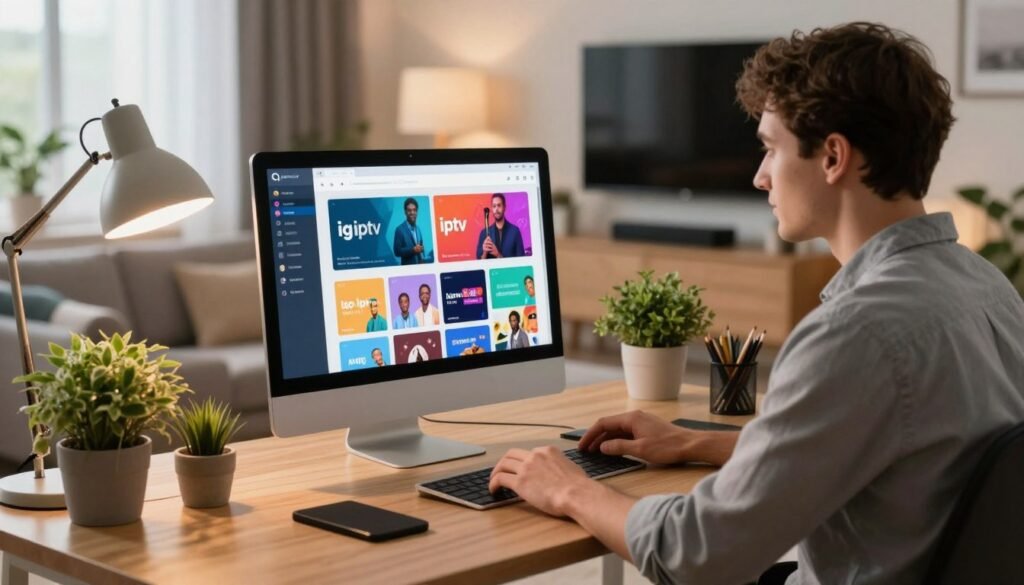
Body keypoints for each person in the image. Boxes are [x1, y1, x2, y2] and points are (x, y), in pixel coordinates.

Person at [487, 22, 1024, 585]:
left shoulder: (855, 333)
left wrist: (570, 489)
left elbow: (700, 553)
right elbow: (888, 448)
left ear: (834, 157)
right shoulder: (988, 287)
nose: (759, 176)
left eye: (770, 148)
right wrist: (696, 442)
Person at [476, 193, 526, 259]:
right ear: (492, 209)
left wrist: (497, 254)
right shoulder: (484, 233)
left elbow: (522, 262)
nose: (496, 209)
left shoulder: (515, 231)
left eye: (499, 205)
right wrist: (485, 252)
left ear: (504, 207)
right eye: (494, 206)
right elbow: (479, 263)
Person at [393, 198, 426, 265]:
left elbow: (420, 247)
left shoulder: (418, 229)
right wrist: (413, 250)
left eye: (414, 210)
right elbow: (397, 252)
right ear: (405, 212)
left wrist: (422, 249)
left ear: (417, 212)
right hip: (408, 270)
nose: (412, 213)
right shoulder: (399, 230)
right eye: (409, 210)